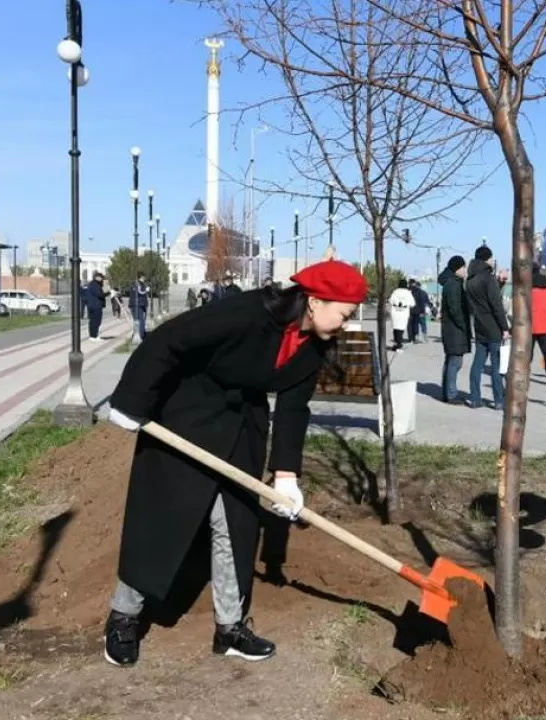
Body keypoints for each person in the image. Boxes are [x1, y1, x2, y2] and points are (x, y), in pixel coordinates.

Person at [102, 260, 366, 667]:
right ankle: (124, 618)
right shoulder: (247, 312)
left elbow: (294, 408)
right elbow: (170, 339)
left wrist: (286, 476)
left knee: (236, 524)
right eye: (345, 314)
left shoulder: (313, 347)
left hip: (245, 426)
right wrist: (132, 400)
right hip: (188, 413)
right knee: (163, 516)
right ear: (315, 301)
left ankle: (229, 628)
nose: (346, 324)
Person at [465, 245, 508, 409]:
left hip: (479, 326)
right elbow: (495, 304)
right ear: (486, 259)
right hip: (493, 328)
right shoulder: (488, 278)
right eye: (491, 258)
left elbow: (476, 303)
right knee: (496, 366)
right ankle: (498, 400)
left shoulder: (470, 279)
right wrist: (505, 327)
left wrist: (499, 284)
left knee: (477, 364)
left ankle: (475, 397)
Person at [437, 256, 472, 403]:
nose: (465, 271)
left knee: (451, 361)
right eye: (463, 268)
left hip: (452, 329)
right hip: (455, 330)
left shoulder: (453, 283)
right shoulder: (453, 285)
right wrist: (463, 325)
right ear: (457, 269)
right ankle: (451, 394)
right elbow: (455, 308)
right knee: (455, 362)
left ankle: (447, 392)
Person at [389, 278, 415, 350]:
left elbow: (390, 301)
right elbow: (413, 304)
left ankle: (396, 342)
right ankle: (399, 343)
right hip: (404, 312)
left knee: (395, 328)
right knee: (401, 328)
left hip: (395, 311)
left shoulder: (395, 292)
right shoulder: (408, 293)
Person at [85, 271, 109, 341]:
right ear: (97, 277)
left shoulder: (93, 284)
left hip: (92, 305)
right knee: (96, 321)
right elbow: (100, 294)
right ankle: (94, 335)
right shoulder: (95, 285)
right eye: (101, 277)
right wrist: (107, 292)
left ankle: (93, 335)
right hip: (96, 305)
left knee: (93, 321)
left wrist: (105, 284)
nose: (102, 279)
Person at [130, 273, 150, 341]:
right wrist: (146, 291)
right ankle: (140, 336)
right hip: (137, 304)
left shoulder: (139, 283)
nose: (145, 278)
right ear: (142, 277)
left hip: (139, 304)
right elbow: (139, 292)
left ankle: (140, 335)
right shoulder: (138, 283)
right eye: (144, 277)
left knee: (140, 320)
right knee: (140, 320)